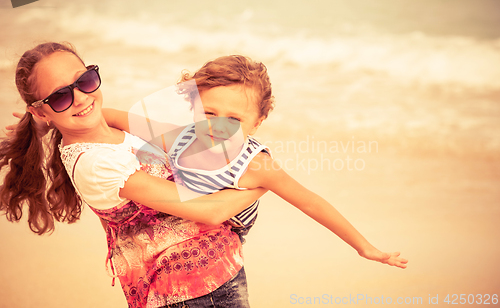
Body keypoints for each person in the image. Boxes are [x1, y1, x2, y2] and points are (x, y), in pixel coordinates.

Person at [0, 42, 268, 308]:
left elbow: (107, 117)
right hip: (190, 294)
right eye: (60, 96)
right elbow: (207, 211)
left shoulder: (102, 126)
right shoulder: (97, 164)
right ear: (41, 109)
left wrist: (39, 124)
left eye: (85, 80)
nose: (81, 97)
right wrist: (263, 181)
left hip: (208, 277)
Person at [104, 55, 408, 269]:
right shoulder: (182, 136)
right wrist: (67, 121)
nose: (216, 127)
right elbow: (121, 119)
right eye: (208, 113)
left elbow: (311, 202)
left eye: (234, 119)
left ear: (257, 122)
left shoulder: (255, 166)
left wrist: (363, 246)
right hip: (188, 202)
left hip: (230, 224)